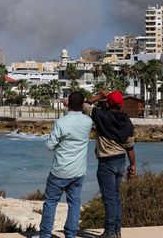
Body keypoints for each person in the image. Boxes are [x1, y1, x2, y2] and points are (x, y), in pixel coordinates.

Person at [36, 91, 93, 238]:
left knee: (50, 202)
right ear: (82, 104)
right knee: (74, 203)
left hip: (60, 170)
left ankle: (45, 235)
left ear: (68, 104)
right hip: (79, 171)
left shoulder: (61, 122)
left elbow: (50, 145)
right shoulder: (87, 121)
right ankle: (70, 234)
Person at [83, 90, 135, 238]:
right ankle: (117, 231)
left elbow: (83, 105)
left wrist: (99, 96)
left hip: (107, 162)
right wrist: (133, 165)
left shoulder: (100, 116)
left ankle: (109, 232)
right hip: (121, 160)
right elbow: (130, 146)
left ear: (108, 103)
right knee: (116, 197)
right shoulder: (127, 121)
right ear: (121, 104)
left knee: (109, 199)